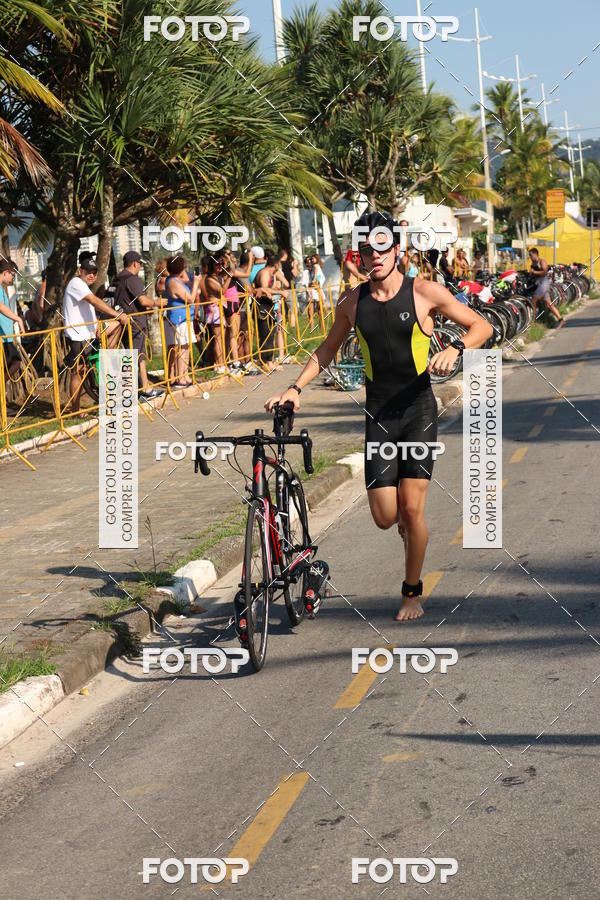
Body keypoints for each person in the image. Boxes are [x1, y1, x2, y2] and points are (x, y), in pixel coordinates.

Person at [266, 210, 493, 622]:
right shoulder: (352, 302)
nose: (375, 256)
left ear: (397, 249)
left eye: (382, 247)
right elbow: (327, 349)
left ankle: (411, 593)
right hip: (380, 416)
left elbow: (482, 327)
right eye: (367, 249)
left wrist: (456, 348)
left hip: (418, 410)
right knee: (386, 517)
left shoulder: (424, 292)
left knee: (412, 509)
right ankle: (404, 524)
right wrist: (295, 388)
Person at [62, 256, 128, 412]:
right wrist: (116, 314)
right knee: (79, 372)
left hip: (89, 333)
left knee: (116, 325)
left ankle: (107, 355)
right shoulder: (76, 283)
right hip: (78, 335)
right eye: (88, 272)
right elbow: (94, 301)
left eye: (94, 273)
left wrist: (98, 323)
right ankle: (75, 410)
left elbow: (88, 309)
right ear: (80, 271)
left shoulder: (83, 286)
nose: (91, 275)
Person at [105, 250, 166, 399]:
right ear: (134, 264)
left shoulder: (117, 279)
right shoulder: (132, 279)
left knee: (133, 356)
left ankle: (141, 388)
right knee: (138, 356)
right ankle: (141, 390)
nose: (140, 267)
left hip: (124, 323)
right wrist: (157, 303)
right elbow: (143, 300)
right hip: (135, 324)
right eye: (139, 264)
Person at [164, 255, 201, 386]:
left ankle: (185, 375)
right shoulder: (173, 282)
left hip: (185, 317)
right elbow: (190, 299)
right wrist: (196, 283)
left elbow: (185, 279)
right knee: (182, 348)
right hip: (180, 318)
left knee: (186, 347)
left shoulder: (176, 279)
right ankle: (181, 378)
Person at [222, 248, 253, 372]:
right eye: (229, 255)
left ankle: (234, 361)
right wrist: (250, 258)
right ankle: (234, 362)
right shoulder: (228, 272)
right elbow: (247, 274)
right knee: (233, 335)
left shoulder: (230, 272)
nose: (232, 258)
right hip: (230, 304)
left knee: (233, 335)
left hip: (234, 303)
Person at [254, 249, 282, 370]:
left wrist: (276, 287)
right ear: (276, 264)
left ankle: (270, 360)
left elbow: (269, 289)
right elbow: (264, 288)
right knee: (265, 333)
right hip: (262, 306)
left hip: (269, 306)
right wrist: (281, 292)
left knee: (271, 334)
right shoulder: (264, 273)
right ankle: (266, 362)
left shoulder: (270, 274)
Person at [0, 259, 25, 377]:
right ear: (6, 272)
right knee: (15, 363)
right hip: (2, 338)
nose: (13, 278)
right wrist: (18, 319)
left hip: (6, 337)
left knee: (15, 363)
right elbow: (1, 307)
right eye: (12, 275)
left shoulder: (1, 288)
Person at [529, 248, 564, 328]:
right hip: (539, 283)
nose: (530, 257)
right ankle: (561, 320)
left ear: (535, 254)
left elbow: (544, 272)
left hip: (544, 283)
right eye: (529, 255)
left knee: (533, 301)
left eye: (531, 255)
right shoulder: (533, 263)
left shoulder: (542, 261)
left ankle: (533, 321)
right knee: (549, 304)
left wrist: (534, 272)